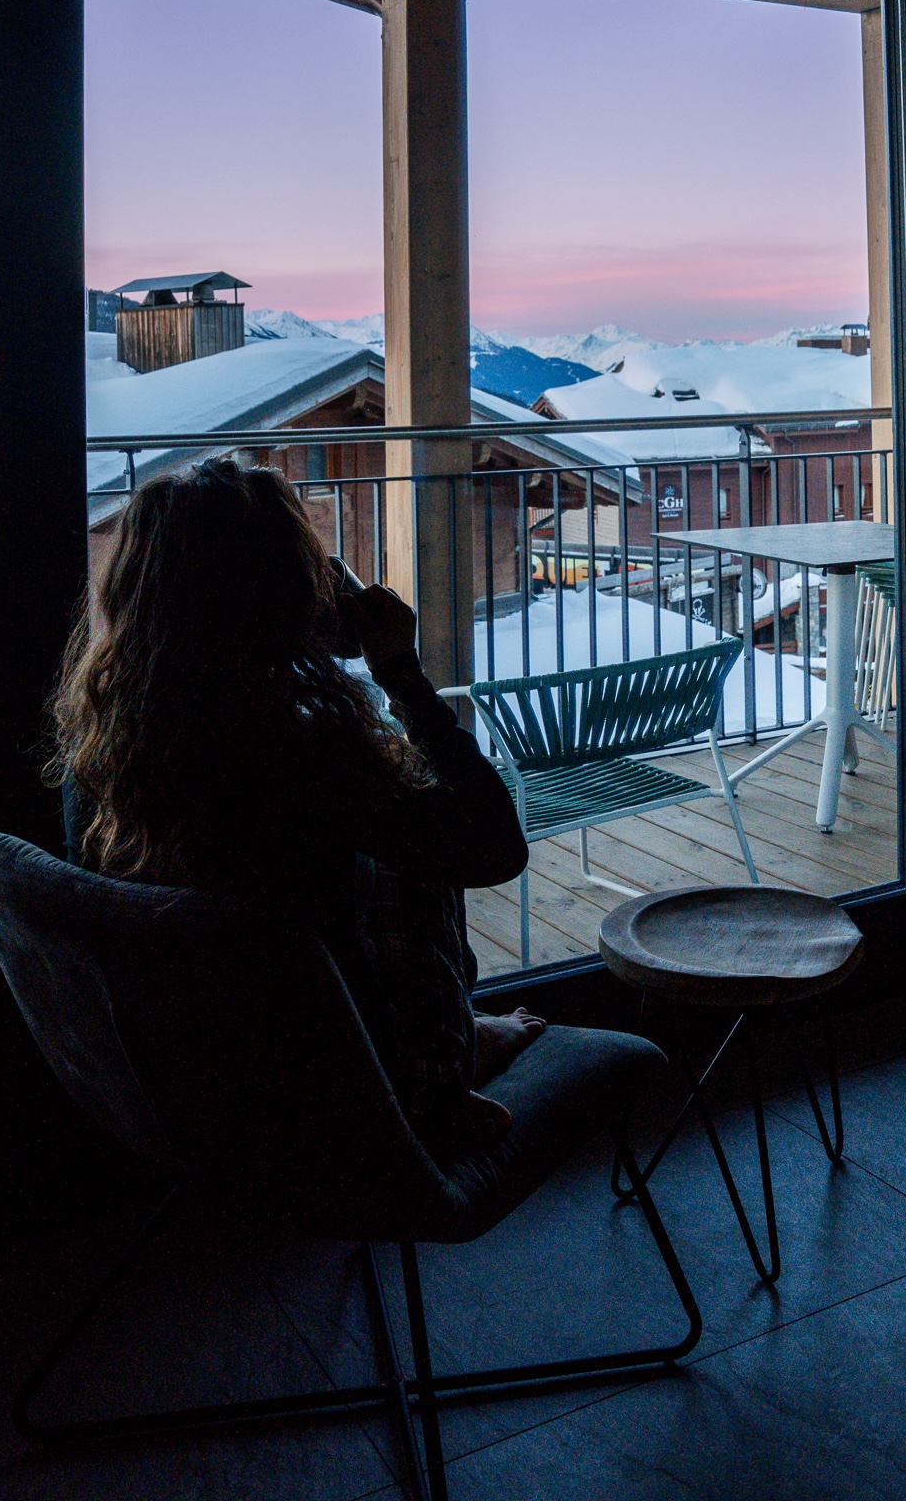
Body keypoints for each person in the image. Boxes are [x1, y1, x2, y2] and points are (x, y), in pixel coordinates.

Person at [49, 457, 545, 1151]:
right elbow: (495, 847)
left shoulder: (102, 743)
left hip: (174, 1080)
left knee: (389, 841)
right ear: (284, 592)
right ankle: (440, 1075)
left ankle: (449, 1049)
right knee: (416, 850)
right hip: (325, 1092)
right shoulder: (298, 755)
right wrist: (401, 675)